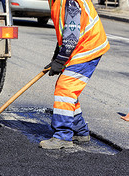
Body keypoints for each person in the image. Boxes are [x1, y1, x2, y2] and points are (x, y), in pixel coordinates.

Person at [39, 0, 110, 149]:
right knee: (68, 90)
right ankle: (80, 131)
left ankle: (63, 136)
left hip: (88, 47)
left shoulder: (69, 1)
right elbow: (65, 31)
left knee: (65, 88)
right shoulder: (56, 1)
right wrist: (56, 58)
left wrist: (61, 60)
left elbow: (72, 35)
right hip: (82, 46)